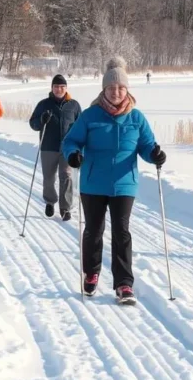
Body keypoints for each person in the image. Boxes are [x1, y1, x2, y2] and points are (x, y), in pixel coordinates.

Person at [62, 57, 165, 304]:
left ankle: (124, 284)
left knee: (122, 232)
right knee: (94, 231)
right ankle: (92, 273)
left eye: (120, 88)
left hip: (124, 183)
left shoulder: (136, 118)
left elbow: (146, 145)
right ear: (104, 90)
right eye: (111, 88)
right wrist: (73, 155)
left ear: (127, 89)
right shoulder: (90, 115)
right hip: (93, 182)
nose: (116, 92)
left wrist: (154, 155)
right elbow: (70, 141)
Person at [28, 74, 82, 220]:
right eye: (56, 87)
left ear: (66, 88)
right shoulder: (44, 104)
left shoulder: (74, 105)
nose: (59, 89)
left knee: (67, 177)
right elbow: (33, 123)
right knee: (49, 178)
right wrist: (41, 120)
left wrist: (80, 146)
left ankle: (65, 208)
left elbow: (81, 126)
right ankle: (50, 201)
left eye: (62, 87)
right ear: (52, 88)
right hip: (48, 146)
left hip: (67, 148)